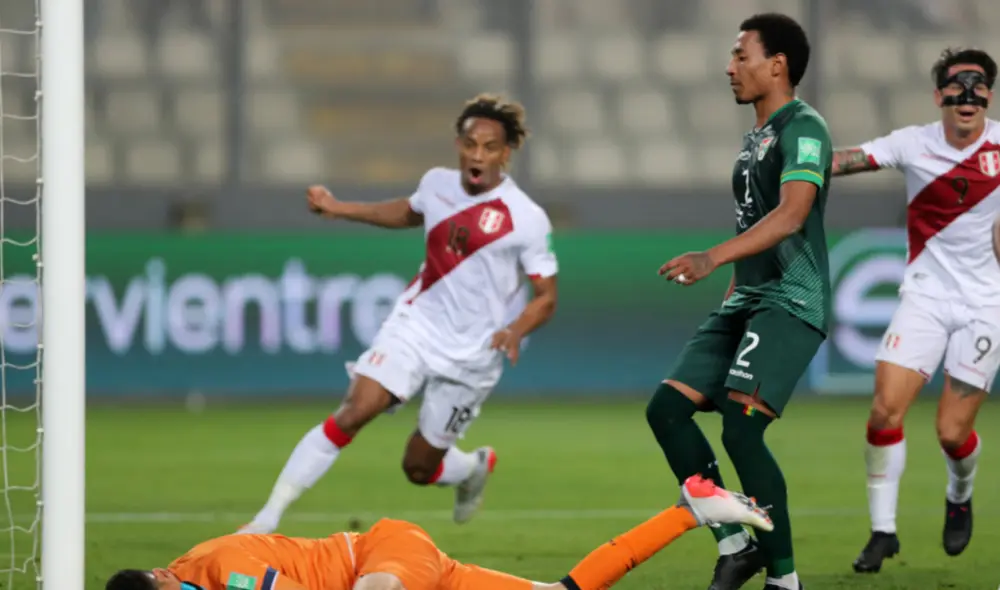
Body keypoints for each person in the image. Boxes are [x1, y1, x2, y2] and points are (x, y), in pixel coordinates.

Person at [239, 94, 559, 535]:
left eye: (489, 147)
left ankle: (470, 469)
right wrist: (339, 208)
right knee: (355, 410)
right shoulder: (437, 184)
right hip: (417, 326)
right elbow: (406, 212)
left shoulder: (526, 218)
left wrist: (515, 329)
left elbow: (546, 296)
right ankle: (265, 520)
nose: (477, 155)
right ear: (459, 145)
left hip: (474, 353)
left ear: (506, 154)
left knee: (418, 467)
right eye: (470, 144)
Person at [648, 12, 832, 590]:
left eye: (741, 56)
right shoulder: (758, 137)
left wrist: (712, 258)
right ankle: (736, 546)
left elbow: (792, 215)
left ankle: (784, 581)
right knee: (667, 410)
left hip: (790, 303)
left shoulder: (804, 128)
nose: (730, 68)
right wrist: (732, 290)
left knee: (741, 429)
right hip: (747, 300)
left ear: (777, 65)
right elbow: (756, 218)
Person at [829, 47, 1000, 573]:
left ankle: (960, 491)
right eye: (957, 87)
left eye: (978, 87)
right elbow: (844, 160)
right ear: (939, 96)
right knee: (884, 410)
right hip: (925, 295)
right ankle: (883, 532)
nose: (967, 97)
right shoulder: (913, 142)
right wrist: (791, 158)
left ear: (989, 97)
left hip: (987, 304)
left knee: (951, 432)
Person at [103, 476, 773, 590]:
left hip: (382, 555)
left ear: (165, 577)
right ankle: (694, 510)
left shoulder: (222, 566)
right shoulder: (189, 573)